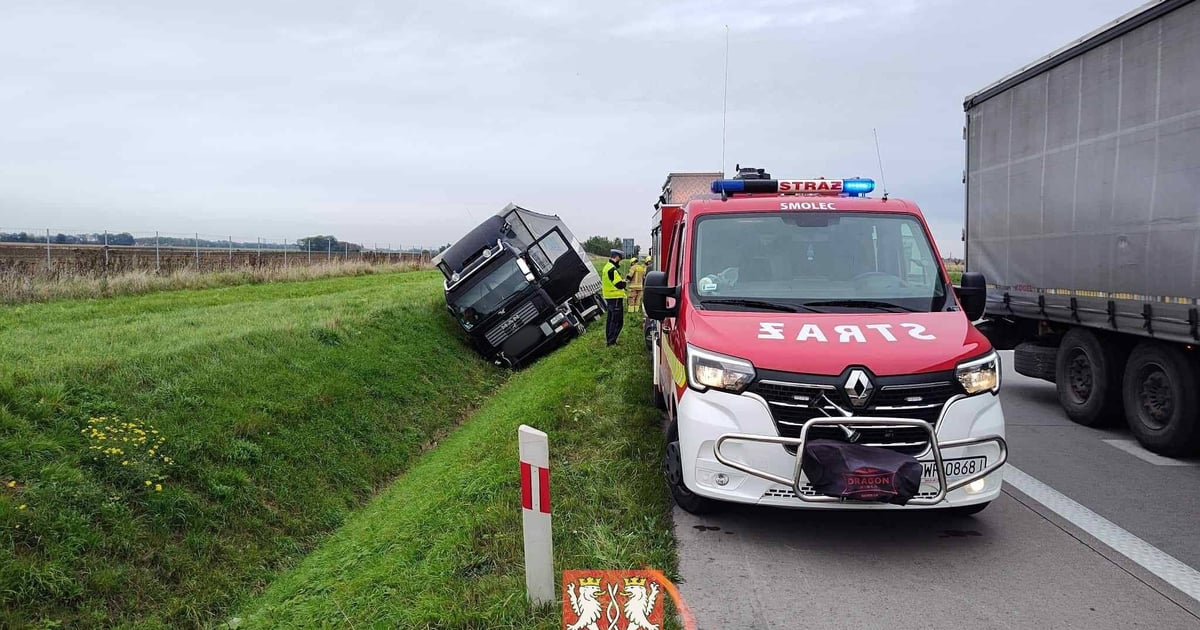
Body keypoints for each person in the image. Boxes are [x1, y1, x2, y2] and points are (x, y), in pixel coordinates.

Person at [601, 249, 628, 346]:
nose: (620, 260)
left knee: (610, 320)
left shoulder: (606, 267)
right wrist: (624, 282)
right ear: (616, 257)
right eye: (620, 258)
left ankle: (609, 340)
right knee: (617, 321)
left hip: (609, 297)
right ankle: (611, 342)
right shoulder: (612, 269)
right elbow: (619, 285)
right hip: (615, 297)